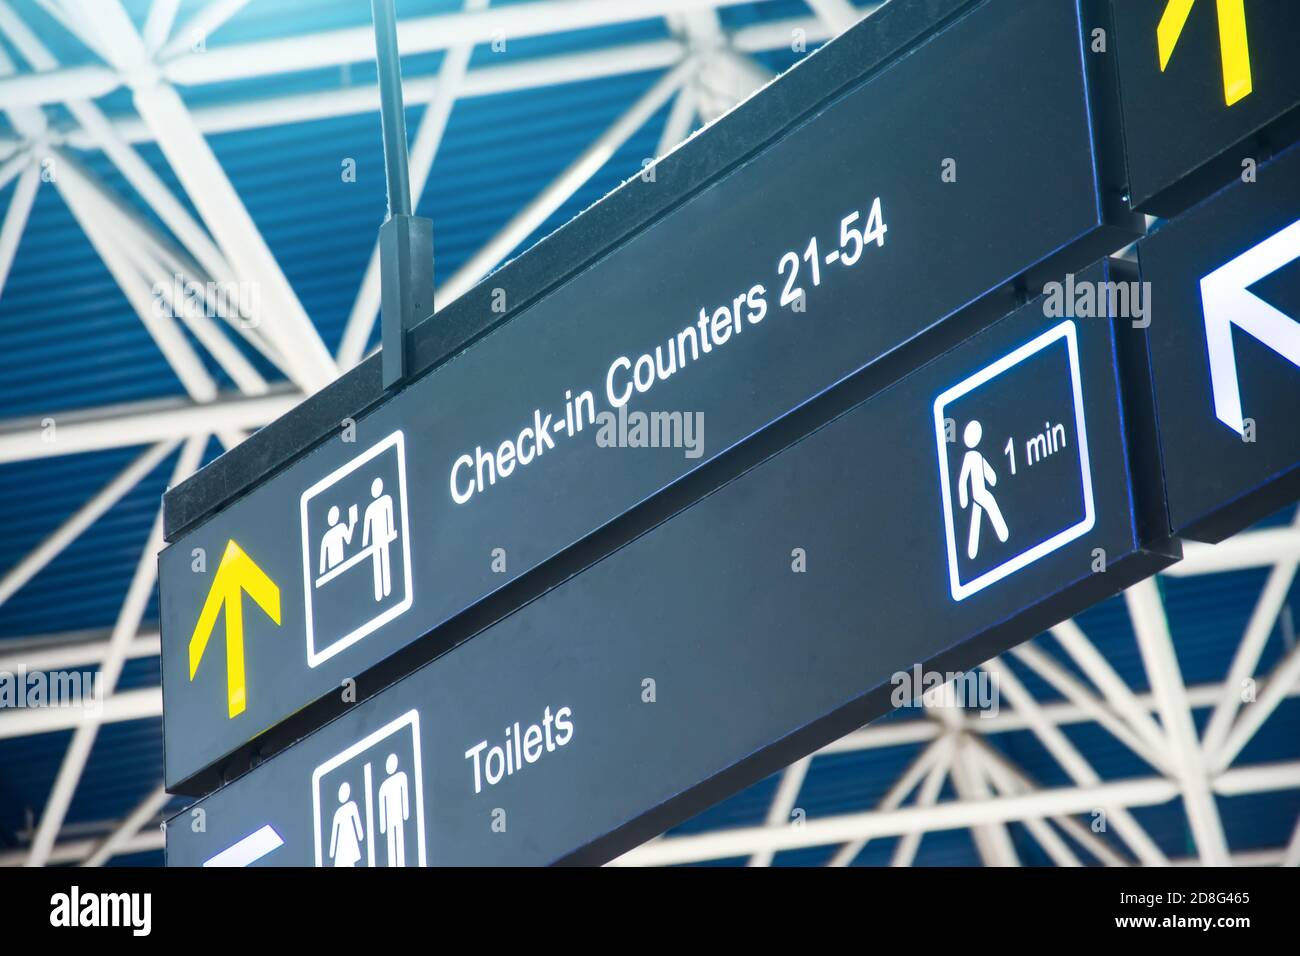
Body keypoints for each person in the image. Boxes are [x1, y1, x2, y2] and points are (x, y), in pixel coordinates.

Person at [957, 420, 1009, 560]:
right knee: (990, 503)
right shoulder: (969, 458)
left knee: (975, 519)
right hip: (978, 493)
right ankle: (1003, 534)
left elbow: (987, 471)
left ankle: (972, 551)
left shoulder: (977, 456)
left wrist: (992, 478)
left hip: (978, 494)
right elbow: (963, 479)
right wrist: (963, 498)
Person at [362, 478, 396, 602]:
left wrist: (391, 530)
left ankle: (386, 587)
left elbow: (389, 515)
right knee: (377, 561)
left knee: (385, 559)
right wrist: (366, 541)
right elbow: (367, 525)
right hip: (375, 540)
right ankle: (379, 594)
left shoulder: (386, 500)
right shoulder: (370, 507)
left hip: (384, 536)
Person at [377, 753, 410, 867]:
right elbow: (382, 802)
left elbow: (404, 795)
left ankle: (399, 861)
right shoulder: (384, 786)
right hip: (390, 818)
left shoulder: (401, 777)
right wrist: (382, 825)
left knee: (399, 838)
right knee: (391, 840)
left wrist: (405, 813)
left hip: (397, 815)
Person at [328, 781, 365, 867]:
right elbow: (335, 832)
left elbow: (357, 822)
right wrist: (332, 852)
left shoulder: (352, 806)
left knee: (350, 861)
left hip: (350, 839)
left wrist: (360, 836)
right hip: (341, 843)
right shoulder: (338, 813)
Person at [318, 503, 357, 579]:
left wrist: (352, 523)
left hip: (342, 563)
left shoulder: (341, 527)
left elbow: (348, 540)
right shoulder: (327, 536)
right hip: (331, 568)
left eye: (334, 515)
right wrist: (322, 572)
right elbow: (323, 555)